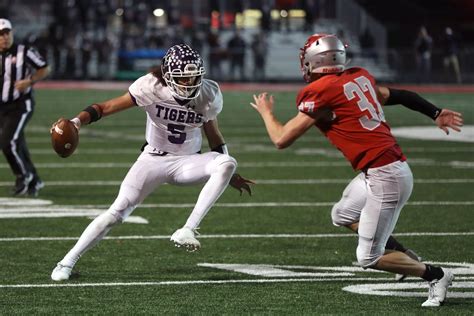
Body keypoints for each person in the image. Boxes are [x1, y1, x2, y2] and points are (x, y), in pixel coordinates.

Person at [250, 33, 463, 307]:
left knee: (368, 257)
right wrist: (435, 112)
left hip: (386, 175)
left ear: (313, 61)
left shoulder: (321, 91)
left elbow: (281, 139)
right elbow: (400, 95)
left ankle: (437, 275)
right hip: (381, 170)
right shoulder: (358, 77)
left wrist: (266, 112)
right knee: (342, 214)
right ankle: (404, 256)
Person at [51, 44, 254, 281]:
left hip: (188, 162)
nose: (190, 83)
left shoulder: (208, 93)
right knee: (116, 212)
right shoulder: (151, 86)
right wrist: (76, 121)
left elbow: (214, 136)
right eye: (183, 78)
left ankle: (187, 229)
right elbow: (105, 108)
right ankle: (66, 262)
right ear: (167, 76)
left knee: (228, 162)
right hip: (153, 159)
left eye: (194, 76)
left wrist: (228, 175)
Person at [0, 18, 50, 197]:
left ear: (12, 33)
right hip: (2, 108)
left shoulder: (24, 51)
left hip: (21, 105)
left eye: (7, 33)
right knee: (18, 144)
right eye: (0, 34)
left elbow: (44, 68)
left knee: (7, 143)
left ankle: (23, 176)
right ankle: (35, 180)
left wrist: (29, 81)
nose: (4, 37)